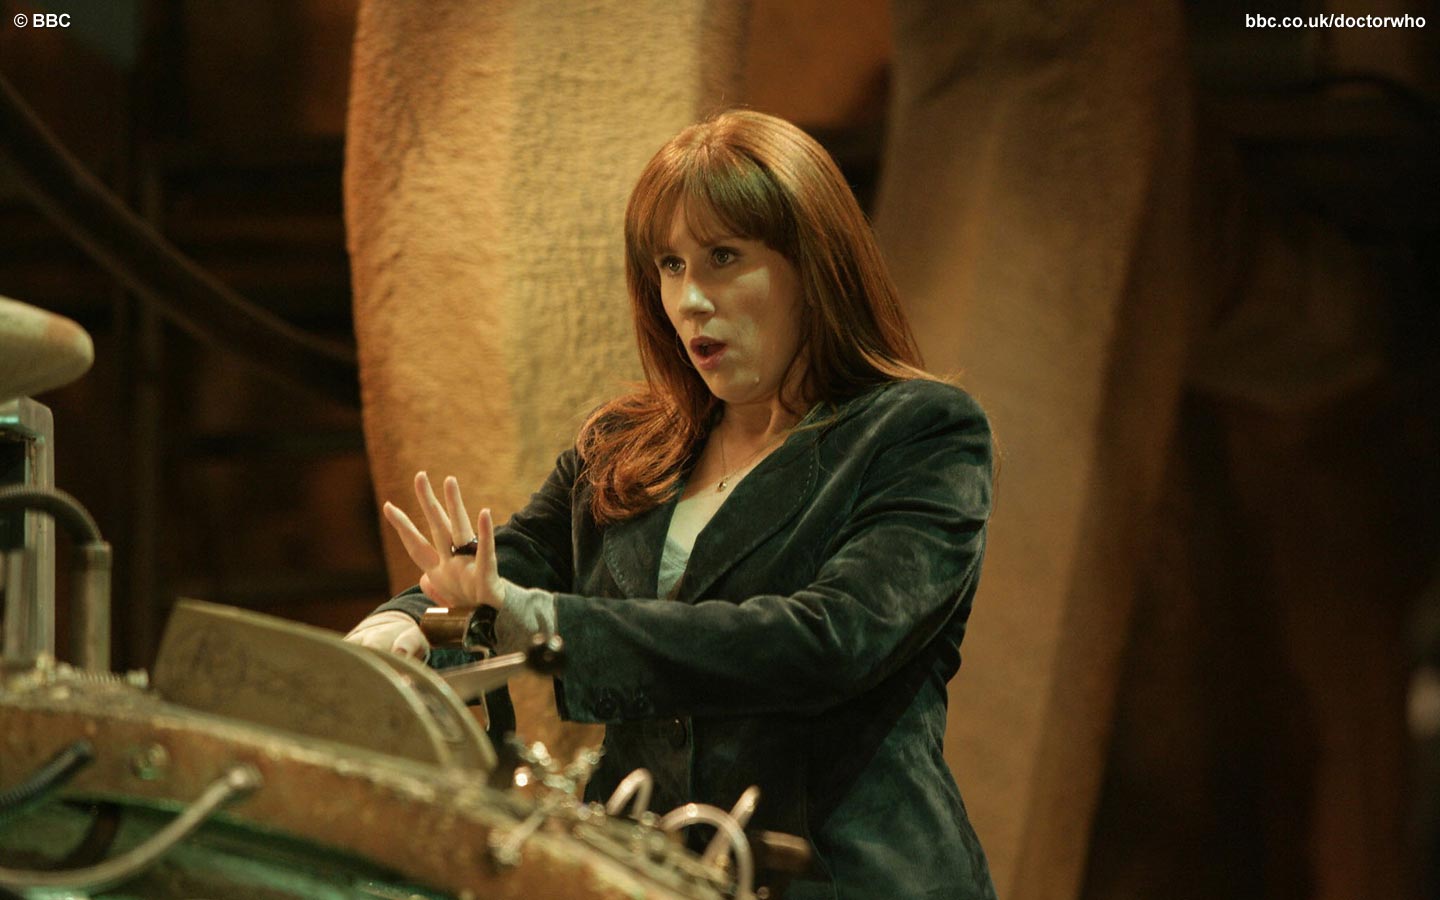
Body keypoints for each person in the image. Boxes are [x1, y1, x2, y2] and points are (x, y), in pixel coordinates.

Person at [345, 109, 997, 900]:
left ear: (813, 265)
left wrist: (540, 621)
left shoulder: (919, 433)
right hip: (645, 879)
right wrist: (409, 625)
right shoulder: (623, 444)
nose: (691, 300)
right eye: (671, 265)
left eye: (724, 258)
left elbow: (827, 641)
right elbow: (512, 565)